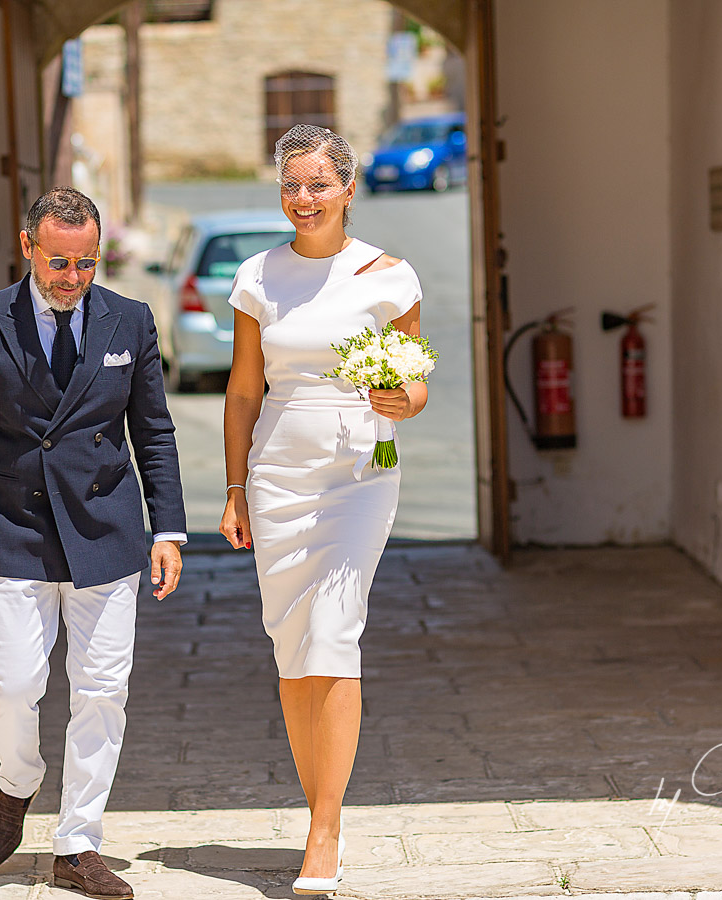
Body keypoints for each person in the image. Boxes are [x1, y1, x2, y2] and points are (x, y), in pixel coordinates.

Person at [0, 187, 186, 900]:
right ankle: (19, 779)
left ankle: (78, 842)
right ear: (27, 247)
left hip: (106, 530)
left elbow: (152, 430)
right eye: (59, 261)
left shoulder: (131, 319)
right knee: (13, 684)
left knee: (101, 690)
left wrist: (169, 529)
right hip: (14, 526)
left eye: (86, 263)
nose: (72, 277)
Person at [218, 125, 428, 895]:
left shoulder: (388, 276)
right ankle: (318, 809)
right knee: (291, 646)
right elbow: (243, 391)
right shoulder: (256, 277)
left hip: (358, 473)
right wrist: (236, 488)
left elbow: (416, 382)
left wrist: (400, 398)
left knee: (335, 635)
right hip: (278, 475)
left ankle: (325, 829)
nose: (303, 199)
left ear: (347, 189)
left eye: (317, 185)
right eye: (291, 185)